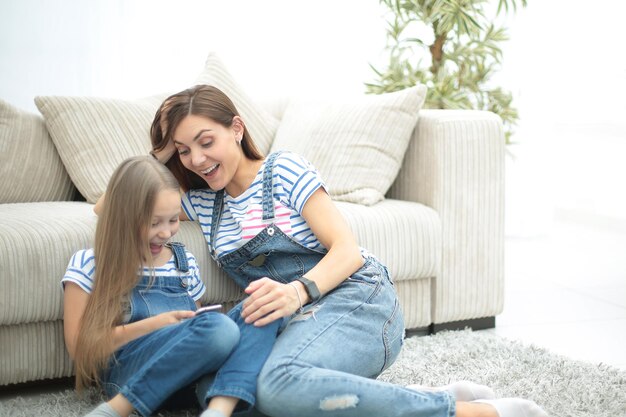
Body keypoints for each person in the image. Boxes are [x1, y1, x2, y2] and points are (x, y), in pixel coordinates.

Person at [146, 84, 549, 417]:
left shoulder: (282, 170)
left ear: (236, 128)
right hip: (290, 323)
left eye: (205, 141)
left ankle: (477, 413)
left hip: (356, 297)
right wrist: (162, 151)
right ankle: (409, 397)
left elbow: (348, 250)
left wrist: (295, 292)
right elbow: (119, 203)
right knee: (216, 395)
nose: (197, 159)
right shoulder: (201, 203)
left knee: (275, 386)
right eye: (184, 151)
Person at [63, 156, 280, 417]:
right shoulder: (89, 263)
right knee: (219, 327)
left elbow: (201, 334)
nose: (166, 233)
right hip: (128, 373)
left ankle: (219, 408)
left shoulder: (183, 261)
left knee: (266, 304)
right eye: (154, 223)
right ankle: (117, 408)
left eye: (172, 220)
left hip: (189, 378)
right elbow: (80, 350)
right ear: (123, 217)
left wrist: (194, 327)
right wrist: (156, 324)